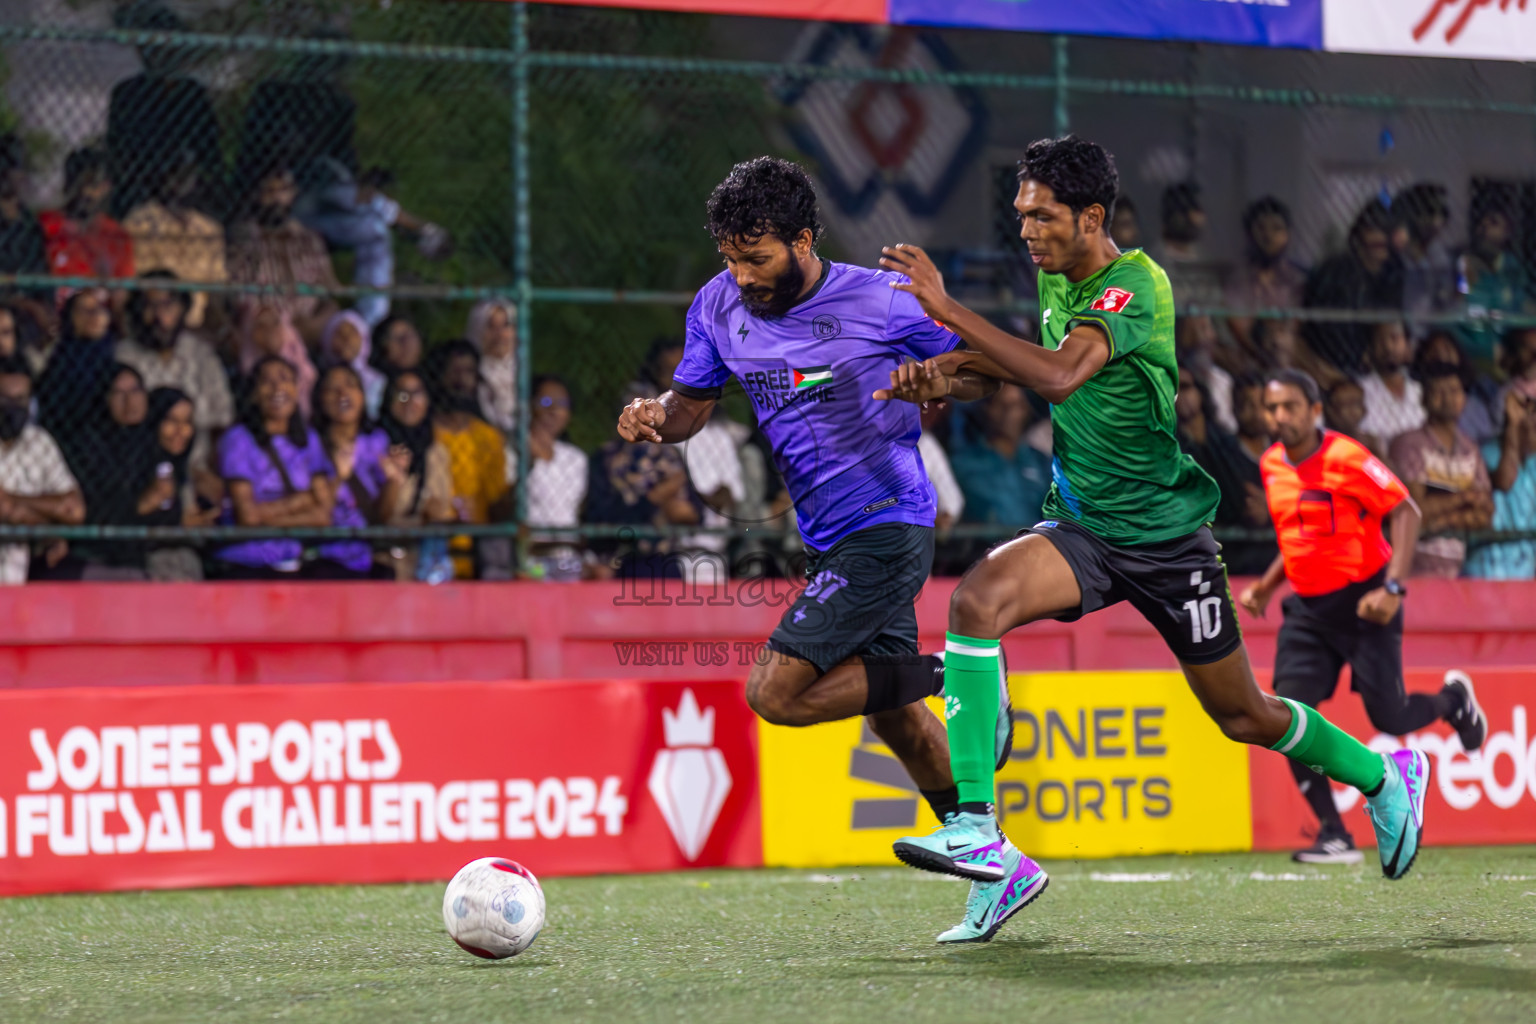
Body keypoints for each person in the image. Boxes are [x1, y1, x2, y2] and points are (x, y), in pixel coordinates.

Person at [872, 135, 1429, 944]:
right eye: (1021, 214)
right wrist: (945, 375)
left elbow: (1061, 374)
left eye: (1043, 217)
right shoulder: (1054, 274)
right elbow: (1024, 369)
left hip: (1168, 540)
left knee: (1242, 713)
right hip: (1083, 525)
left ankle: (1384, 774)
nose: (1026, 231)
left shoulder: (1138, 284)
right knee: (976, 600)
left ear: (1091, 216)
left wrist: (947, 308)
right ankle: (984, 839)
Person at [615, 156, 1010, 854]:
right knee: (900, 721)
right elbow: (692, 409)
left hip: (889, 521)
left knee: (775, 694)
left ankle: (963, 674)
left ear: (803, 242)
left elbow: (986, 374)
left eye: (757, 258)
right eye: (730, 258)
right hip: (827, 537)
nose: (743, 276)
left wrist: (936, 382)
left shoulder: (884, 298)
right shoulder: (715, 306)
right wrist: (655, 414)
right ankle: (988, 852)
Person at [1240, 370, 1485, 863]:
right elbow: (1300, 539)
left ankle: (1453, 701)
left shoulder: (1346, 457)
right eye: (1272, 408)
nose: (1279, 417)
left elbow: (1408, 512)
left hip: (1365, 601)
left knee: (1389, 716)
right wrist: (1267, 585)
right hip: (1308, 612)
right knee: (1287, 715)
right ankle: (1333, 832)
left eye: (1289, 407)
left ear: (1314, 412)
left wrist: (1393, 588)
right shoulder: (1271, 465)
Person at [213, 355, 337, 579]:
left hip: (294, 561)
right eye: (266, 382)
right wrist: (300, 502)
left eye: (285, 379)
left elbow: (323, 515)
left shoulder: (309, 439)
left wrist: (266, 516)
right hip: (246, 562)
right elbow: (247, 517)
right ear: (253, 394)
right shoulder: (238, 440)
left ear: (297, 390)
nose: (277, 387)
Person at [106, 1, 225, 219]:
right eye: (151, 47)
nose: (160, 54)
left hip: (186, 183)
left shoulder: (193, 94)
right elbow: (118, 148)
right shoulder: (129, 93)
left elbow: (209, 150)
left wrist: (188, 175)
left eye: (168, 46)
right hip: (141, 184)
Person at [118, 271, 234, 473]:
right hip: (140, 468)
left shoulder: (201, 354)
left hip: (198, 467)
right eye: (150, 306)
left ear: (182, 309)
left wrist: (214, 471)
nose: (159, 315)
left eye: (168, 305)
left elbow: (221, 420)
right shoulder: (124, 357)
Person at [1388, 365, 1494, 577]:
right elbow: (1415, 510)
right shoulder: (1410, 444)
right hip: (1412, 562)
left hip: (1456, 565)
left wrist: (1444, 520)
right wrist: (1463, 498)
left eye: (1454, 390)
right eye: (1439, 391)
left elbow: (1485, 513)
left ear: (1464, 398)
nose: (1447, 398)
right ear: (1424, 398)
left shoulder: (1469, 448)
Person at [423, 339, 511, 579]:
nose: (461, 380)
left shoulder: (488, 437)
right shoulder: (425, 433)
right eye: (454, 371)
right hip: (431, 546)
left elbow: (496, 504)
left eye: (469, 372)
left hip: (478, 549)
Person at [226, 162, 341, 345]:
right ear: (257, 195)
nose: (277, 198)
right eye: (270, 191)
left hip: (309, 328)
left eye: (283, 190)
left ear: (293, 194)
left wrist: (313, 325)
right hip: (265, 332)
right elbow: (237, 297)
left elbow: (331, 293)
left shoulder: (309, 239)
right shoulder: (244, 238)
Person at [1175, 371, 1275, 576]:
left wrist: (1272, 507)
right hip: (1232, 553)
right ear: (1234, 407)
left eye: (1262, 404)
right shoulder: (1221, 451)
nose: (1256, 412)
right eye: (1247, 404)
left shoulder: (1285, 452)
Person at [0, 356, 85, 583]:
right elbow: (5, 509)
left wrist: (16, 501)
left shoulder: (38, 441)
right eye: (5, 400)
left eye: (21, 400)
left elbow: (73, 510)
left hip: (16, 575)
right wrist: (48, 532)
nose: (13, 409)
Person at [313, 363, 402, 579]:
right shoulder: (309, 444)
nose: (343, 393)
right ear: (320, 400)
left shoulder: (377, 441)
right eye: (332, 388)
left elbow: (382, 516)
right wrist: (339, 478)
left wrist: (393, 480)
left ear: (362, 396)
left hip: (366, 558)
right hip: (323, 557)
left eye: (350, 385)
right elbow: (316, 513)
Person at [122, 151, 228, 332]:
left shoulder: (209, 230)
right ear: (161, 177)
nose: (180, 181)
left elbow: (217, 286)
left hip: (199, 326)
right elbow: (134, 286)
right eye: (174, 173)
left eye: (188, 174)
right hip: (155, 323)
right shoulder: (138, 224)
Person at [1303, 201, 1404, 374]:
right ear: (1359, 235)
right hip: (1334, 363)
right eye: (1373, 228)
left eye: (1386, 230)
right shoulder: (1335, 272)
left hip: (1381, 363)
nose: (1380, 237)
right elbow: (1326, 329)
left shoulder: (1395, 273)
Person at [71, 364, 149, 576]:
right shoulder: (87, 445)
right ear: (104, 399)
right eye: (119, 393)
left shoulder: (153, 440)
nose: (129, 401)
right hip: (96, 551)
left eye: (135, 391)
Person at [379, 369, 456, 579]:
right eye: (402, 395)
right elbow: (380, 515)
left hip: (422, 557)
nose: (410, 402)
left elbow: (441, 511)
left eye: (418, 394)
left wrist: (433, 513)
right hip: (382, 556)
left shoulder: (437, 452)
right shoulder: (376, 445)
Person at [40, 148, 134, 313]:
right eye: (79, 184)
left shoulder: (116, 235)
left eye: (94, 185)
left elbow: (122, 293)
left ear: (107, 187)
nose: (85, 192)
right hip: (53, 313)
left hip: (99, 318)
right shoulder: (46, 224)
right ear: (68, 184)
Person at [36, 288, 119, 472]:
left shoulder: (117, 352)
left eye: (99, 308)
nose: (94, 315)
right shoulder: (56, 355)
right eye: (84, 310)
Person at [137, 387, 213, 580]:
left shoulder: (183, 469)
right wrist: (178, 521)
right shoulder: (136, 463)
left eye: (187, 422)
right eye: (171, 421)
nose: (181, 431)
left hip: (186, 560)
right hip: (147, 561)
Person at [949, 383, 1049, 527]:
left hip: (1037, 545)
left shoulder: (1041, 462)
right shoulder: (965, 463)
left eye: (1017, 406)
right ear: (988, 409)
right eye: (1003, 405)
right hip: (984, 547)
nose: (1009, 414)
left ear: (1027, 411)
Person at [520, 374, 588, 581]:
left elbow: (578, 511)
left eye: (562, 403)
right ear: (530, 406)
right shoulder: (514, 452)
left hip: (568, 557)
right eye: (546, 402)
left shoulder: (575, 459)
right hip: (530, 558)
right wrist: (528, 465)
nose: (554, 410)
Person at [1456, 192, 1532, 373]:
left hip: (1512, 361)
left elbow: (1524, 307)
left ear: (1508, 231)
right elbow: (1458, 314)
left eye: (1493, 223)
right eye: (1481, 222)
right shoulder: (1463, 267)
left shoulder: (1513, 268)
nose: (1484, 228)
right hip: (1472, 360)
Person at [1466, 388, 1536, 579]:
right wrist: (1513, 426)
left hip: (1524, 573)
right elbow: (1505, 480)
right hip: (1488, 568)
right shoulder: (1487, 453)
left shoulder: (1532, 464)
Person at [1225, 197, 1307, 355]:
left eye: (1277, 229)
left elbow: (1297, 327)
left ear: (1288, 234)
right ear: (1250, 233)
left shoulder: (1297, 281)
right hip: (1245, 358)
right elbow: (1238, 328)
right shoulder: (1237, 280)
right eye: (1261, 228)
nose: (1268, 236)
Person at [1412, 329, 1500, 443]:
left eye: (1447, 350)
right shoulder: (1415, 392)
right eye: (1434, 352)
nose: (1442, 357)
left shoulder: (1480, 391)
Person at [237, 301, 318, 418]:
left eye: (275, 323)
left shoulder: (307, 374)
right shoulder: (244, 374)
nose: (269, 330)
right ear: (251, 331)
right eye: (261, 325)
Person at [1357, 320, 1425, 448]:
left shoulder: (1420, 392)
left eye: (1394, 338)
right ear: (1369, 348)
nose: (1388, 346)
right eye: (1380, 340)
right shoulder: (1360, 391)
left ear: (1408, 347)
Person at [1395, 183, 1456, 325]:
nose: (1436, 222)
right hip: (1403, 330)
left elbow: (1446, 299)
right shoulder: (1399, 252)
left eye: (1441, 214)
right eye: (1429, 213)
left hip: (1431, 333)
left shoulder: (1442, 256)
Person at [319, 310, 386, 418]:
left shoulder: (380, 383)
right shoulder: (319, 382)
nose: (347, 338)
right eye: (339, 334)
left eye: (353, 332)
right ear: (328, 340)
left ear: (363, 337)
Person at [467, 299, 518, 434]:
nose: (500, 334)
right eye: (490, 326)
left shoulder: (521, 373)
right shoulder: (469, 378)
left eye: (506, 325)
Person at [370, 315, 423, 380]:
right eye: (406, 335)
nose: (406, 343)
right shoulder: (376, 309)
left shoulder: (373, 379)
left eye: (405, 352)